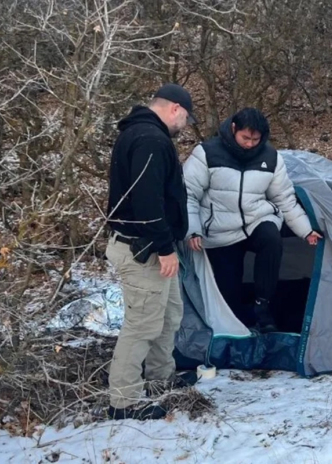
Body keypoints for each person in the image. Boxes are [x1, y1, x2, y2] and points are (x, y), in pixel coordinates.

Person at [104, 83, 198, 420]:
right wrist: (164, 247)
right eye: (186, 118)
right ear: (174, 108)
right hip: (144, 250)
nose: (184, 125)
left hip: (155, 248)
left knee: (169, 314)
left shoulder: (143, 134)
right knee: (142, 325)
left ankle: (160, 378)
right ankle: (124, 401)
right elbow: (146, 203)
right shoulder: (150, 140)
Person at [183, 108, 322, 333]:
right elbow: (188, 193)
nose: (250, 144)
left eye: (255, 139)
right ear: (233, 129)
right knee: (229, 291)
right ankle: (240, 318)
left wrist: (306, 230)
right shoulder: (207, 153)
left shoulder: (270, 157)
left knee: (272, 239)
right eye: (245, 138)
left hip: (257, 219)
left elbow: (284, 198)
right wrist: (193, 230)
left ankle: (263, 304)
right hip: (220, 228)